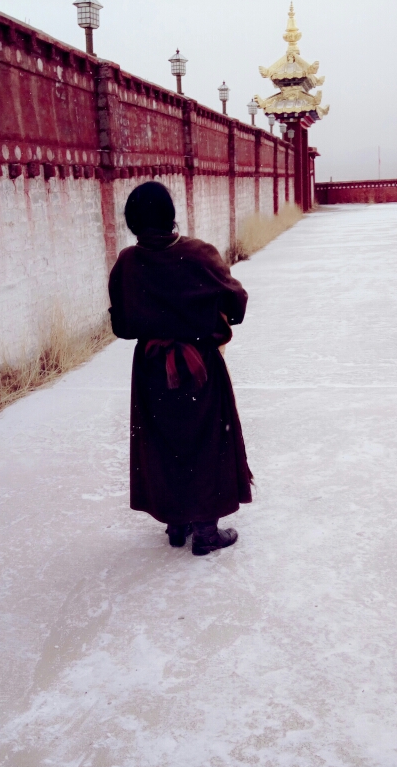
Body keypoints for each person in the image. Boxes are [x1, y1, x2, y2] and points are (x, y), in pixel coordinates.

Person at [108, 182, 253, 556]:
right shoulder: (199, 254)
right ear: (171, 214)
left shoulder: (127, 262)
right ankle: (205, 531)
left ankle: (176, 523)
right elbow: (237, 304)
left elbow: (122, 326)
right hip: (199, 364)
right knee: (207, 440)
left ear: (132, 221)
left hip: (152, 368)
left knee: (163, 442)